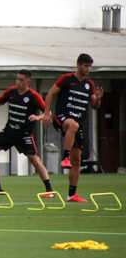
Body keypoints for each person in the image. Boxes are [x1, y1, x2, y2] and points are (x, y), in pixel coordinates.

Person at [0, 70, 54, 196]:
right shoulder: (11, 92)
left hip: (23, 134)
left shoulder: (33, 96)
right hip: (9, 131)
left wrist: (38, 117)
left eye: (21, 80)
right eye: (17, 79)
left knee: (35, 160)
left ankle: (49, 190)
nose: (18, 82)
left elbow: (48, 113)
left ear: (28, 81)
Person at [40, 53, 103, 203]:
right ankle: (65, 157)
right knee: (72, 125)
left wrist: (99, 99)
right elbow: (50, 94)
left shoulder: (89, 85)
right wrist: (47, 113)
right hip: (62, 116)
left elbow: (94, 106)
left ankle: (72, 195)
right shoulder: (67, 79)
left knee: (78, 160)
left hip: (79, 123)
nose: (87, 68)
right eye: (85, 65)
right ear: (78, 64)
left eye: (89, 66)